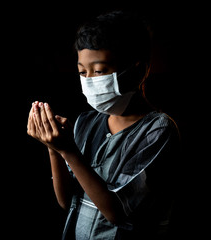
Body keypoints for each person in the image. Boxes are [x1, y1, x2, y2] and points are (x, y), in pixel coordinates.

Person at [27, 10, 181, 240]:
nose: (89, 80)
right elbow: (68, 202)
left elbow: (117, 212)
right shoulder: (87, 123)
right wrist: (55, 149)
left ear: (138, 70)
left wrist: (69, 150)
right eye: (82, 72)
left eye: (99, 71)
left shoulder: (158, 131)